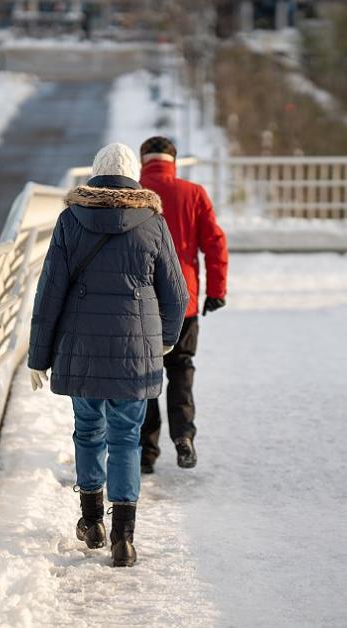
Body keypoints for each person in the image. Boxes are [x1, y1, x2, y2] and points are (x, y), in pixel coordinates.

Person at [27, 142, 188, 567]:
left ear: (95, 174)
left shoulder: (69, 221)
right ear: (133, 174)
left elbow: (49, 294)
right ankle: (124, 538)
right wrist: (166, 340)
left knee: (88, 432)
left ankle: (92, 520)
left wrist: (38, 356)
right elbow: (177, 294)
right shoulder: (152, 223)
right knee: (126, 439)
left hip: (80, 351)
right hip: (136, 355)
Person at [137, 136, 228, 473]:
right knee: (181, 368)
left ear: (143, 159)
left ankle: (146, 452)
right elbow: (215, 243)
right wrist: (216, 290)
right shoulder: (193, 193)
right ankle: (184, 437)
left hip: (141, 303)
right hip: (184, 303)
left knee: (143, 377)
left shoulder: (134, 193)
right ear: (172, 160)